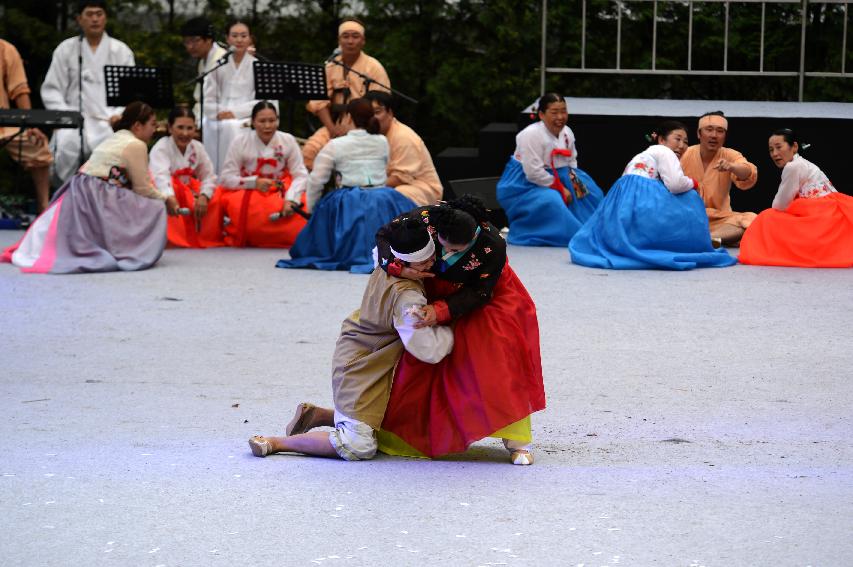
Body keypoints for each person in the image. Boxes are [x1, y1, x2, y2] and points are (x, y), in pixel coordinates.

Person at [248, 219, 454, 461]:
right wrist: (454, 335)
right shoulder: (408, 298)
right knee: (358, 446)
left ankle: (321, 415)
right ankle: (277, 442)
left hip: (363, 348)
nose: (432, 263)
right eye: (424, 261)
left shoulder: (385, 263)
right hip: (361, 364)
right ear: (405, 263)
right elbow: (425, 347)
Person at [370, 197, 546, 465]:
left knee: (495, 357)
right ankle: (406, 433)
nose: (447, 251)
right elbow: (384, 235)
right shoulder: (425, 218)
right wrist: (399, 267)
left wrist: (440, 311)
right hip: (429, 286)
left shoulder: (493, 244)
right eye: (444, 244)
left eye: (456, 248)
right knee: (416, 359)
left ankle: (517, 440)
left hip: (484, 297)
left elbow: (481, 291)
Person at [2, 101, 176, 274]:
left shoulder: (116, 138)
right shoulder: (136, 144)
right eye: (152, 124)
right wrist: (166, 199)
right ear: (138, 126)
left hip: (79, 188)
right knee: (156, 206)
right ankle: (134, 249)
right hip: (99, 193)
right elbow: (142, 188)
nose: (155, 130)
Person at [569, 121, 737, 270]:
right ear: (662, 140)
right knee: (690, 198)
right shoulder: (664, 151)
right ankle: (692, 242)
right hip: (644, 197)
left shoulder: (642, 155)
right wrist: (694, 183)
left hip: (622, 199)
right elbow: (675, 184)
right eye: (677, 139)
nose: (682, 145)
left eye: (685, 142)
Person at [276, 98, 416, 272]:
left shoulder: (335, 145)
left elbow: (316, 180)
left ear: (348, 117)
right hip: (383, 197)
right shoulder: (382, 141)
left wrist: (313, 212)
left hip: (350, 200)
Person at [41, 0, 135, 186]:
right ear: (79, 19)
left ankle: (105, 203)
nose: (94, 19)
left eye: (99, 14)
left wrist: (119, 114)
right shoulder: (66, 49)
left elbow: (130, 92)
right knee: (67, 146)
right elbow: (52, 89)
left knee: (113, 151)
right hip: (73, 120)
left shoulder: (121, 50)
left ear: (105, 18)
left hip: (109, 120)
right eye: (89, 14)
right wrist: (64, 116)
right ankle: (67, 197)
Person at [496, 92, 604, 246]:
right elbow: (533, 172)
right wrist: (560, 188)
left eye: (563, 111)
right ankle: (569, 234)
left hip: (561, 174)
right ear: (541, 114)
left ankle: (595, 230)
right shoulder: (530, 135)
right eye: (554, 112)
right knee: (552, 200)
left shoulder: (567, 132)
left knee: (591, 193)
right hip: (525, 183)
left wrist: (575, 182)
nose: (560, 117)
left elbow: (572, 160)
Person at [739, 129, 853, 267]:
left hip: (820, 214)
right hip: (835, 210)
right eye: (771, 150)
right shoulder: (804, 163)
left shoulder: (793, 167)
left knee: (767, 217)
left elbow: (780, 204)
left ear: (794, 147)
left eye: (779, 147)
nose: (775, 153)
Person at [302, 18, 390, 170]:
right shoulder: (330, 66)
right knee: (308, 153)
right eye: (346, 36)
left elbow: (381, 106)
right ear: (339, 40)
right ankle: (315, 191)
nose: (350, 41)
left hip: (365, 130)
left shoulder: (374, 67)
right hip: (334, 127)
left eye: (355, 36)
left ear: (363, 41)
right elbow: (318, 102)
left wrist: (355, 129)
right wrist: (332, 129)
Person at [217, 101, 307, 248]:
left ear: (278, 121)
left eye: (272, 121)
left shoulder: (288, 140)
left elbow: (301, 174)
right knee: (246, 212)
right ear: (253, 122)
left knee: (302, 209)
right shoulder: (240, 141)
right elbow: (226, 178)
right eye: (262, 121)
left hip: (280, 188)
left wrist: (292, 200)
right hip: (250, 189)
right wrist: (253, 182)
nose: (267, 126)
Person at [680, 111, 758, 246]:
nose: (714, 135)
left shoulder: (730, 155)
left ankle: (708, 240)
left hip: (719, 220)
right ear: (699, 134)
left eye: (720, 131)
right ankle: (721, 240)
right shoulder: (685, 153)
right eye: (709, 130)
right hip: (687, 216)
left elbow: (748, 172)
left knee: (752, 219)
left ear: (725, 136)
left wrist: (732, 167)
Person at [149, 107, 224, 248]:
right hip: (170, 191)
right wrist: (169, 196)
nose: (185, 133)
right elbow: (160, 177)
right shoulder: (161, 147)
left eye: (190, 128)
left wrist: (204, 196)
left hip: (190, 190)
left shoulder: (197, 147)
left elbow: (209, 175)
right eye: (180, 127)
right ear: (170, 128)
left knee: (217, 194)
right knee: (174, 190)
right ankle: (175, 237)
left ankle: (204, 236)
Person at [203, 20, 269, 172]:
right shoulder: (218, 65)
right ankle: (214, 176)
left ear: (250, 39)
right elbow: (208, 98)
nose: (239, 40)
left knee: (231, 127)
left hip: (246, 115)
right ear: (227, 39)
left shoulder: (257, 66)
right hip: (220, 114)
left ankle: (235, 175)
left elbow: (261, 101)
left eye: (243, 36)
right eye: (234, 36)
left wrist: (234, 113)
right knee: (208, 123)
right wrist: (219, 112)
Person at [0, 38, 53, 212]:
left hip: (3, 124)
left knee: (37, 145)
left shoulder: (5, 49)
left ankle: (43, 209)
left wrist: (31, 125)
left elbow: (19, 89)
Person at [365, 90, 443, 206]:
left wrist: (369, 188)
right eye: (368, 114)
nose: (373, 118)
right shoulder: (370, 136)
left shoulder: (403, 137)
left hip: (421, 188)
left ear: (390, 113)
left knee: (392, 195)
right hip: (386, 186)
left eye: (377, 112)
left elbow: (400, 178)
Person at [180, 16, 227, 127]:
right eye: (186, 42)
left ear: (209, 40)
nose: (190, 46)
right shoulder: (202, 61)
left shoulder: (221, 60)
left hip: (217, 120)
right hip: (202, 116)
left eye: (195, 41)